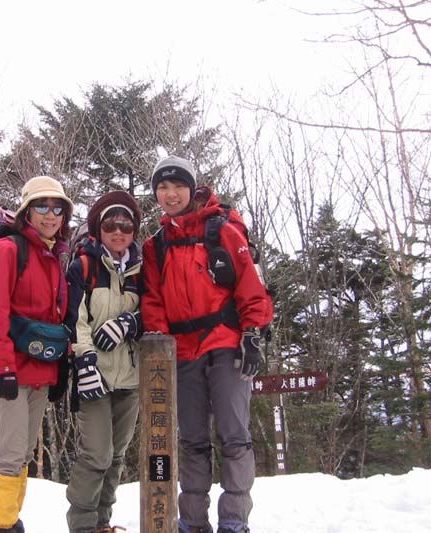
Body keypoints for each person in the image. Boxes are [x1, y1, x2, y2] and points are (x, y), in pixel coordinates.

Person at [140, 156, 273, 533]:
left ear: (192, 188)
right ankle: (193, 521)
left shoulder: (222, 230)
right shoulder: (156, 245)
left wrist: (252, 333)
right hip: (181, 352)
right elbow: (152, 300)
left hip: (226, 344)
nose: (170, 194)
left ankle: (233, 519)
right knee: (192, 440)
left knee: (235, 436)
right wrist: (158, 341)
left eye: (178, 186)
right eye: (162, 188)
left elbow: (251, 286)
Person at [0, 176, 74, 533]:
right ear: (27, 212)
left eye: (58, 208)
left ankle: (9, 521)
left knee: (23, 455)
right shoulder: (6, 251)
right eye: (42, 206)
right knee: (8, 455)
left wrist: (59, 368)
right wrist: (3, 367)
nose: (50, 214)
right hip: (6, 372)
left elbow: (52, 320)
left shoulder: (54, 257)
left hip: (38, 373)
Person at [64, 191, 143, 533]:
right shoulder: (84, 266)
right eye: (111, 224)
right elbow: (75, 319)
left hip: (131, 378)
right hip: (93, 376)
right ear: (99, 227)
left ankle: (102, 523)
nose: (118, 231)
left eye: (126, 225)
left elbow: (157, 312)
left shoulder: (142, 270)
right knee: (96, 454)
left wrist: (130, 323)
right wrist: (85, 363)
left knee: (117, 455)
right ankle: (82, 525)